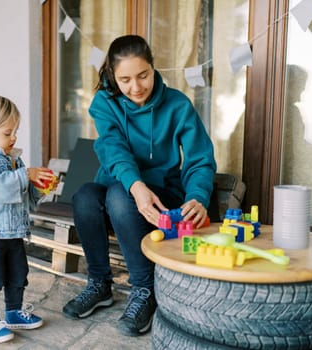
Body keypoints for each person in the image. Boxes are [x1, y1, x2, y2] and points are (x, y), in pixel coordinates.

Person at [62, 35, 217, 336]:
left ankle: (144, 290)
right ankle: (99, 284)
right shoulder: (105, 103)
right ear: (112, 76)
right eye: (125, 79)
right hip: (122, 191)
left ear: (153, 67)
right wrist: (136, 185)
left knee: (120, 195)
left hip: (162, 199)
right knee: (85, 196)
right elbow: (112, 148)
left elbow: (200, 158)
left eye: (143, 75)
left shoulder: (177, 105)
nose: (136, 87)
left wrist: (198, 196)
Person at [0, 95, 55, 343]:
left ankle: (14, 311)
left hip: (12, 231)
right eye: (7, 133)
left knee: (18, 273)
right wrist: (26, 174)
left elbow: (20, 194)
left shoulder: (13, 158)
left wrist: (39, 187)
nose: (13, 137)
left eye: (15, 131)